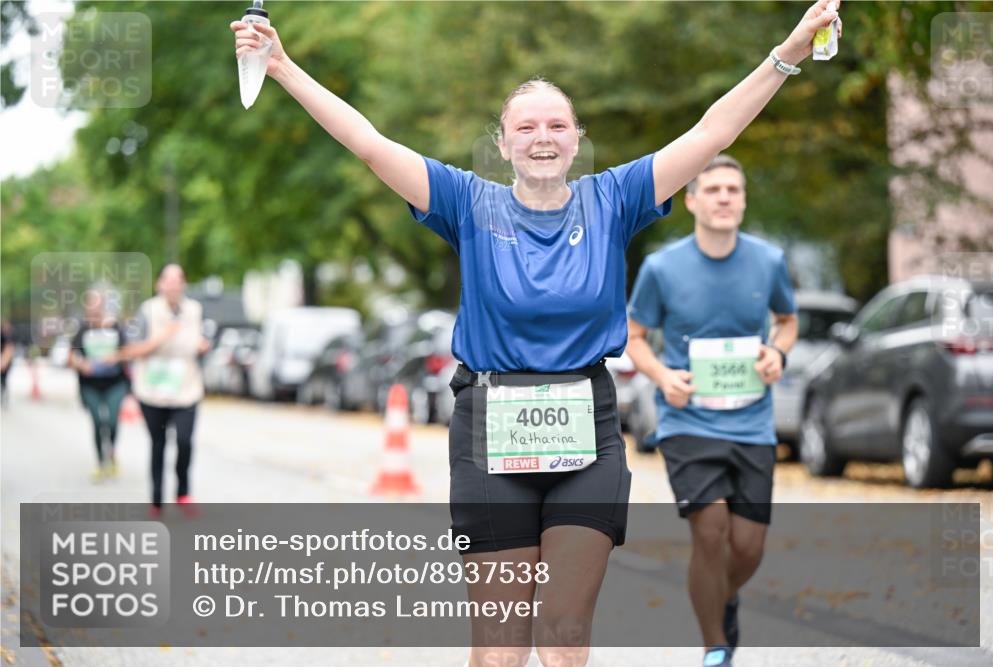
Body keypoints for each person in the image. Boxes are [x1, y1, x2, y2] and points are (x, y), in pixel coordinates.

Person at [231, 3, 838, 665]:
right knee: (499, 649)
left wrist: (789, 52)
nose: (541, 137)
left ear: (578, 137)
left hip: (586, 430)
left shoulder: (615, 198)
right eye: (526, 126)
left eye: (556, 125)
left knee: (566, 633)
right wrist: (284, 67)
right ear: (504, 142)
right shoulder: (467, 202)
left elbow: (713, 127)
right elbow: (369, 142)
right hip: (491, 428)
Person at [625, 155, 799, 667]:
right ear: (693, 200)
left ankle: (720, 592)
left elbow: (786, 321)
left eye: (734, 190)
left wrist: (778, 353)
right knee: (710, 531)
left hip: (752, 421)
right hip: (687, 421)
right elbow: (634, 338)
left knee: (747, 547)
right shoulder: (662, 267)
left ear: (743, 201)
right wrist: (663, 377)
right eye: (714, 189)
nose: (725, 197)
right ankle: (715, 648)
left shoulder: (767, 261)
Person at [119, 265, 210, 518]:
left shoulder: (195, 310)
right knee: (158, 444)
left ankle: (183, 492)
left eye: (177, 280)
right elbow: (131, 349)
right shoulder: (147, 311)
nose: (172, 285)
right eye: (167, 280)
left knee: (184, 441)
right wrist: (162, 337)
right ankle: (157, 500)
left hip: (186, 389)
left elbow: (200, 340)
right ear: (159, 284)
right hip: (153, 391)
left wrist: (202, 346)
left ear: (184, 284)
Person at [68, 290, 131, 481]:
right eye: (91, 305)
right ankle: (100, 462)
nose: (94, 310)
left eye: (98, 305)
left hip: (115, 383)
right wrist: (81, 364)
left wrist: (115, 357)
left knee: (111, 421)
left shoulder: (115, 328)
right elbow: (70, 357)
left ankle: (111, 452)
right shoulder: (82, 330)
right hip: (90, 384)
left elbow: (128, 352)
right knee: (97, 421)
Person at [0, 320, 14, 407]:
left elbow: (9, 348)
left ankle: (4, 397)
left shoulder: (4, 335)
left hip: (4, 361)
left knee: (3, 380)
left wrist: (3, 362)